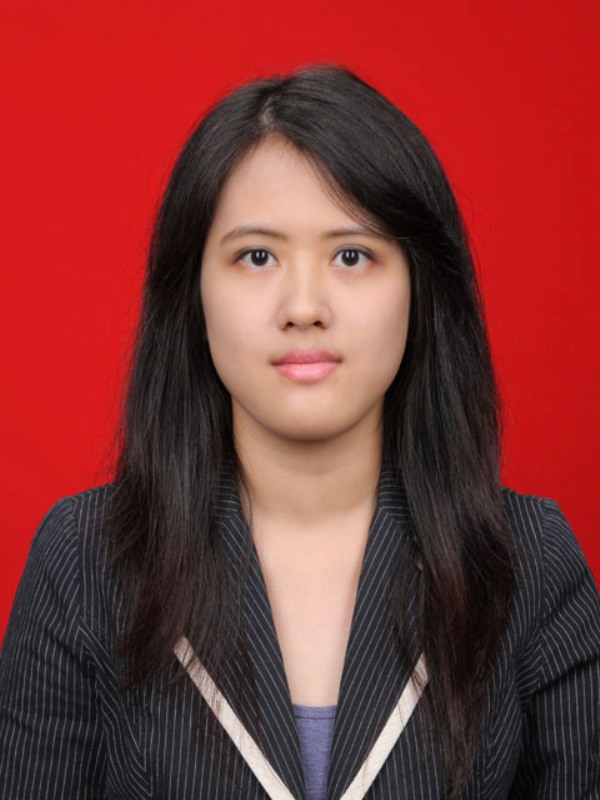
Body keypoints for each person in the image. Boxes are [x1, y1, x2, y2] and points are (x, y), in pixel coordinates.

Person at [0, 65, 598, 800]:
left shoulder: (528, 562)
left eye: (352, 255)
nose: (304, 306)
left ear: (420, 288)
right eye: (257, 256)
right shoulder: (86, 560)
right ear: (192, 293)